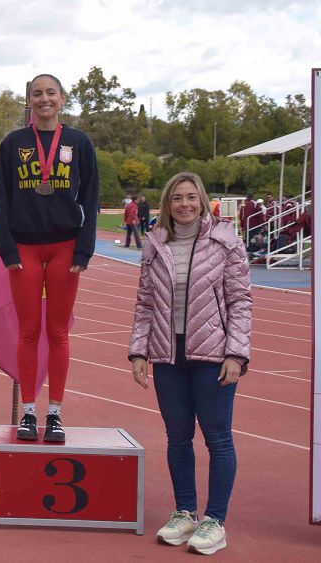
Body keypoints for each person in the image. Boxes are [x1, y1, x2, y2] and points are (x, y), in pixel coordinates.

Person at [129, 171, 251, 555]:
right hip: (168, 354)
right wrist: (138, 351)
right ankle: (185, 512)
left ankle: (215, 521)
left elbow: (241, 302)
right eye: (177, 198)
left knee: (217, 438)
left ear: (202, 201)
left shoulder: (225, 243)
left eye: (191, 197)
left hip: (212, 355)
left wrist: (236, 353)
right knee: (178, 438)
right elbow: (145, 303)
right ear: (168, 204)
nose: (184, 205)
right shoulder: (155, 245)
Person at [0, 73, 98, 443]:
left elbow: (90, 200)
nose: (44, 99)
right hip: (24, 248)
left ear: (62, 98)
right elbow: (2, 200)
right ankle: (27, 413)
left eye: (50, 93)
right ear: (29, 100)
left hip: (65, 247)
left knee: (57, 332)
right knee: (27, 332)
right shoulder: (13, 144)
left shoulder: (79, 143)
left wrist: (85, 249)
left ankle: (54, 414)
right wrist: (6, 248)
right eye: (36, 94)